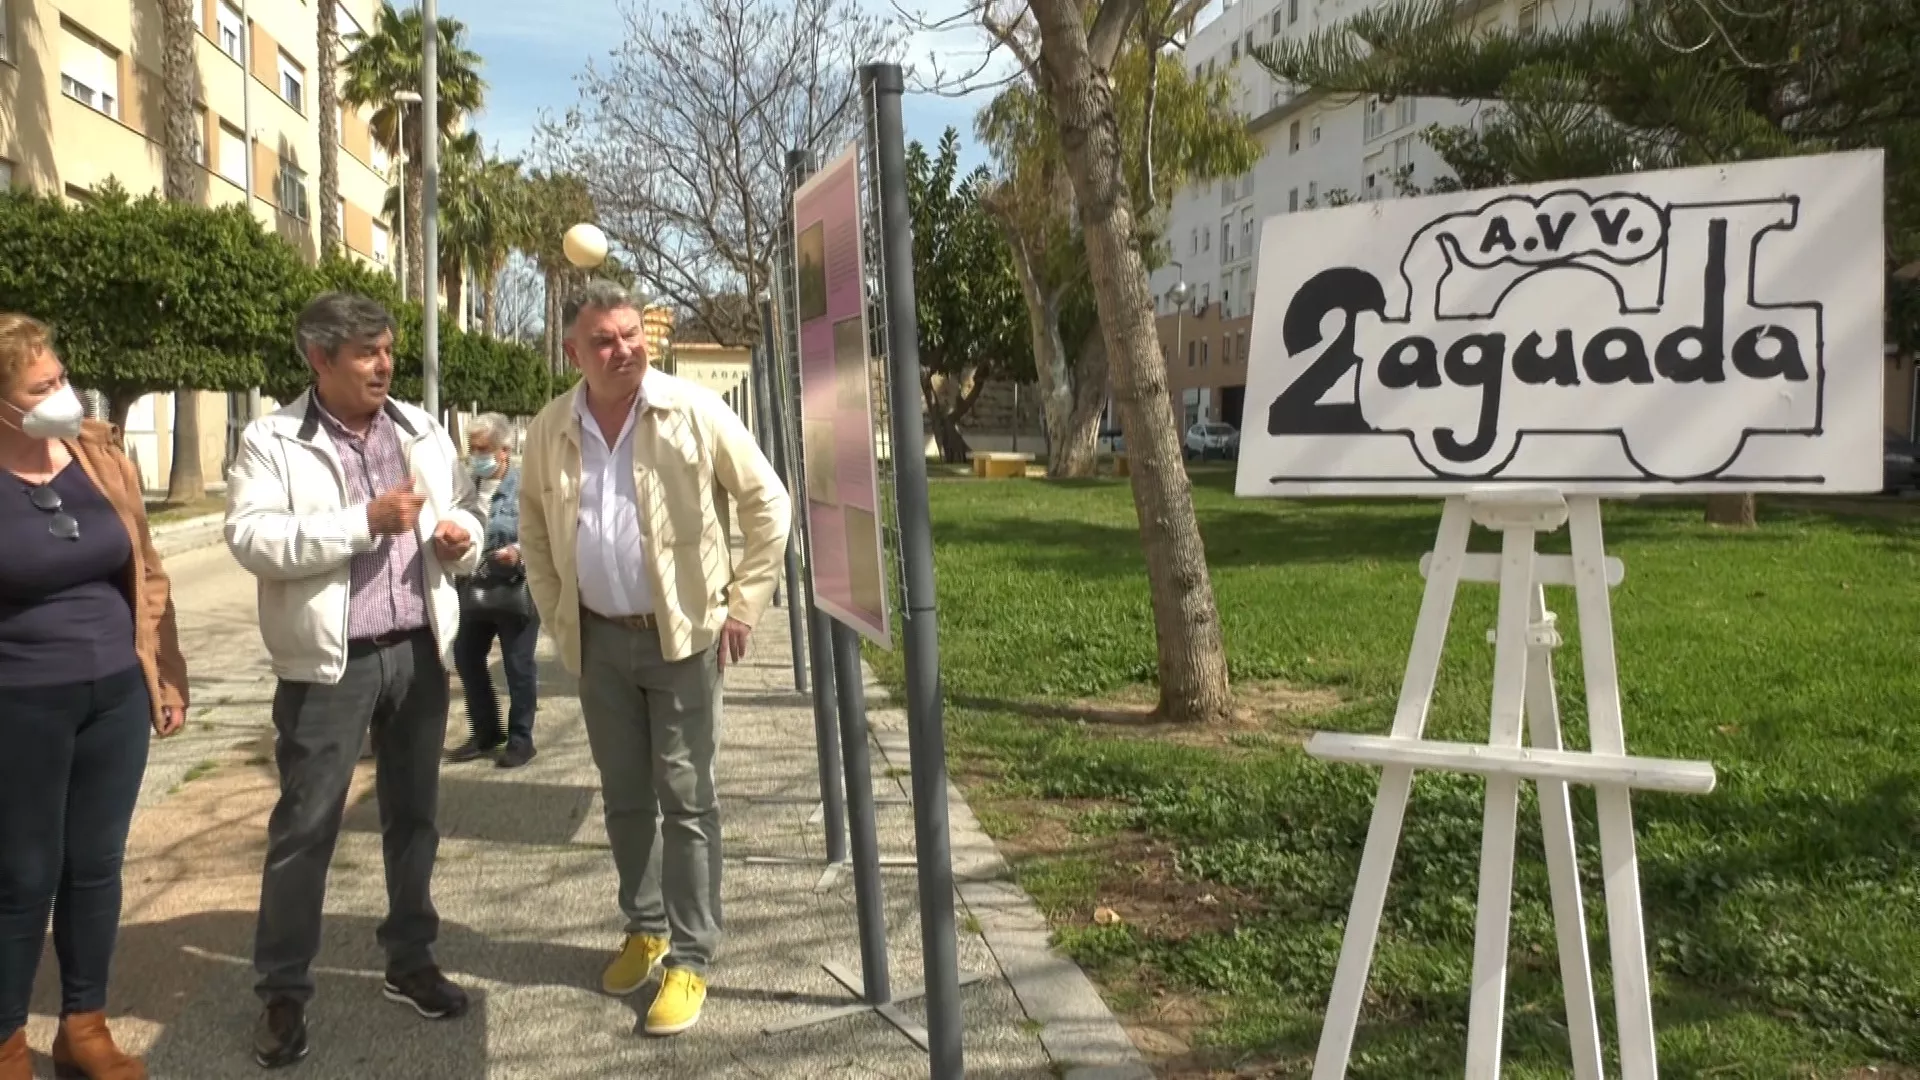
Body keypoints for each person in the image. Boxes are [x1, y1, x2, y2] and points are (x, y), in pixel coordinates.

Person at [518, 281, 790, 1037]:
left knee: (687, 795)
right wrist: (555, 610)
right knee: (623, 794)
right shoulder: (550, 429)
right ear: (574, 352)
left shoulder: (690, 412)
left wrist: (744, 605)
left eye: (632, 333)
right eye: (604, 340)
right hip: (599, 641)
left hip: (682, 640)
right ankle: (645, 928)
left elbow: (770, 502)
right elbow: (534, 527)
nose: (625, 349)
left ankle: (693, 957)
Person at [224, 292, 484, 1069]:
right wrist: (364, 521)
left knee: (414, 817)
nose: (384, 365)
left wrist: (456, 538)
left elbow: (465, 512)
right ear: (319, 359)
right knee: (306, 827)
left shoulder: (419, 428)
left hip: (416, 650)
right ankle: (282, 992)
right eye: (367, 352)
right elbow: (252, 537)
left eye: (389, 350)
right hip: (328, 667)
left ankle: (410, 960)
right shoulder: (273, 439)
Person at [0, 315, 188, 1080]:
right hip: (20, 701)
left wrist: (164, 675)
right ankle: (7, 1041)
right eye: (42, 387)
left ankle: (83, 1026)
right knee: (21, 873)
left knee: (96, 865)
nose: (62, 395)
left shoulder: (96, 454)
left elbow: (146, 566)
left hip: (114, 692)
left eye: (61, 376)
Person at [446, 412, 540, 769]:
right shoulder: (465, 487)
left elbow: (542, 531)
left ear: (504, 451)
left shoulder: (526, 486)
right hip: (473, 588)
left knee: (519, 666)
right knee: (468, 659)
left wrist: (518, 552)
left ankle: (520, 739)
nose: (476, 456)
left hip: (514, 587)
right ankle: (486, 732)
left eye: (483, 449)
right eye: (472, 449)